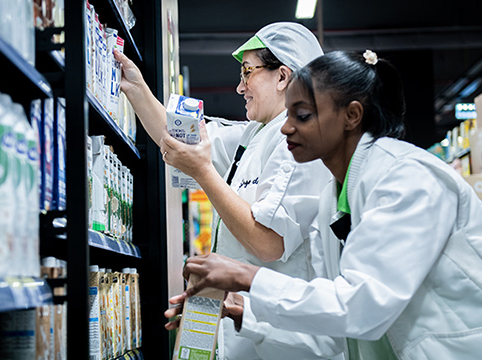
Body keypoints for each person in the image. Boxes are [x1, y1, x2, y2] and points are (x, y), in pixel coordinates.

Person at [169, 50, 482, 360]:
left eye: (302, 114)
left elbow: (363, 307)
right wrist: (243, 310)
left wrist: (249, 277)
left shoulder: (407, 179)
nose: (286, 128)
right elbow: (334, 333)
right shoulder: (333, 201)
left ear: (351, 116)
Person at [116, 23, 333, 359]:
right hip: (249, 334)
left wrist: (202, 171)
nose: (239, 86)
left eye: (248, 72)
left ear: (282, 76)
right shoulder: (254, 135)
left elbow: (268, 243)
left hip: (287, 345)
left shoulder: (298, 143)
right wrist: (135, 87)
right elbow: (178, 137)